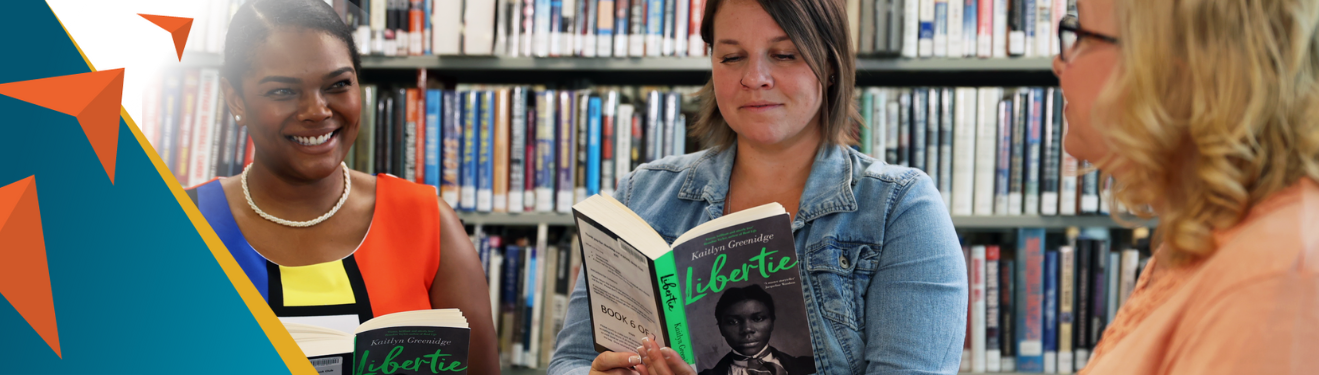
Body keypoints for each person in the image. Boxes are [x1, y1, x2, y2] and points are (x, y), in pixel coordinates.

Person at [548, 0, 968, 374]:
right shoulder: (643, 194)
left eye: (784, 54)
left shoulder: (900, 208)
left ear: (831, 63)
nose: (755, 77)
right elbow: (571, 360)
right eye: (731, 57)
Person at [188, 0, 499, 372]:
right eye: (282, 91)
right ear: (234, 97)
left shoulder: (427, 220)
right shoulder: (185, 222)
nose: (317, 110)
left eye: (338, 85)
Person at [1050, 0, 1319, 373]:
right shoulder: (1205, 238)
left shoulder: (1272, 285)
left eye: (1081, 35)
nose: (1059, 63)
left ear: (1175, 71)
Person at [702, 285, 814, 375]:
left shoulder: (810, 365)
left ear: (772, 323)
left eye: (758, 318)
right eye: (733, 322)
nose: (746, 329)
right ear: (721, 328)